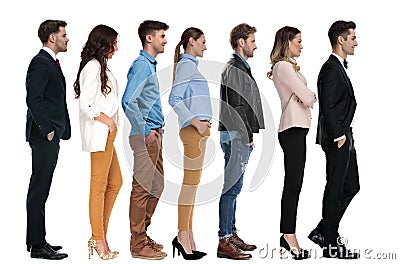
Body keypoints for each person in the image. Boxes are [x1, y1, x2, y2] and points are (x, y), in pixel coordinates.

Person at [308, 20, 360, 259]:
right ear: (341, 40)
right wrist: (339, 135)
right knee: (335, 189)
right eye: (352, 38)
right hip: (337, 137)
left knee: (352, 186)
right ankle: (330, 243)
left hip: (345, 136)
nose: (356, 42)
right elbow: (327, 105)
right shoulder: (330, 68)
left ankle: (322, 230)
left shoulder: (339, 66)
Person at [267, 26, 316, 260]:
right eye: (298, 41)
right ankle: (288, 235)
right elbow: (308, 96)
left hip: (297, 129)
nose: (301, 45)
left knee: (295, 184)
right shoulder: (283, 66)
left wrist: (305, 95)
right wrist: (307, 95)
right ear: (287, 42)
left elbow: (305, 95)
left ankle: (288, 234)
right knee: (293, 185)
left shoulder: (288, 67)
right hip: (292, 129)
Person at [73, 24, 122, 260]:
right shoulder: (92, 67)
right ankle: (99, 238)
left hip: (108, 133)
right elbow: (86, 105)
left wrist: (113, 124)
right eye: (114, 43)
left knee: (116, 181)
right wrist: (108, 122)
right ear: (103, 42)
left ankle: (99, 234)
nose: (116, 48)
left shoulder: (101, 66)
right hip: (101, 132)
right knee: (99, 185)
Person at [121, 20, 169, 260]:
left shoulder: (150, 66)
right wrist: (145, 130)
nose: (165, 40)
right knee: (141, 189)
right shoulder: (141, 65)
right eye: (162, 36)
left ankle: (141, 235)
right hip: (145, 137)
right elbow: (128, 101)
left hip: (155, 134)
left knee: (158, 186)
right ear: (149, 38)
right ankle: (137, 242)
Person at [217, 23, 265, 260]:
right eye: (252, 41)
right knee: (230, 189)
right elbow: (236, 105)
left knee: (234, 188)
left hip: (237, 135)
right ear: (241, 42)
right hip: (236, 136)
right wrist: (245, 137)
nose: (255, 45)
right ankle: (224, 240)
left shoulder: (240, 67)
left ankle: (231, 234)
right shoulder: (235, 68)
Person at [25, 19, 70, 260]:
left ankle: (39, 241)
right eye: (63, 34)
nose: (67, 38)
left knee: (42, 190)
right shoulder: (41, 63)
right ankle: (37, 245)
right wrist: (47, 130)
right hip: (44, 136)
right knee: (39, 189)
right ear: (52, 37)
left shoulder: (48, 62)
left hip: (50, 135)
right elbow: (34, 99)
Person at [168, 27, 212, 260]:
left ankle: (188, 235)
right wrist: (197, 123)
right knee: (189, 186)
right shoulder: (187, 66)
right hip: (194, 132)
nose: (205, 46)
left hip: (199, 132)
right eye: (203, 42)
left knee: (192, 186)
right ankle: (182, 237)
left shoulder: (191, 66)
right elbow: (174, 98)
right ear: (191, 42)